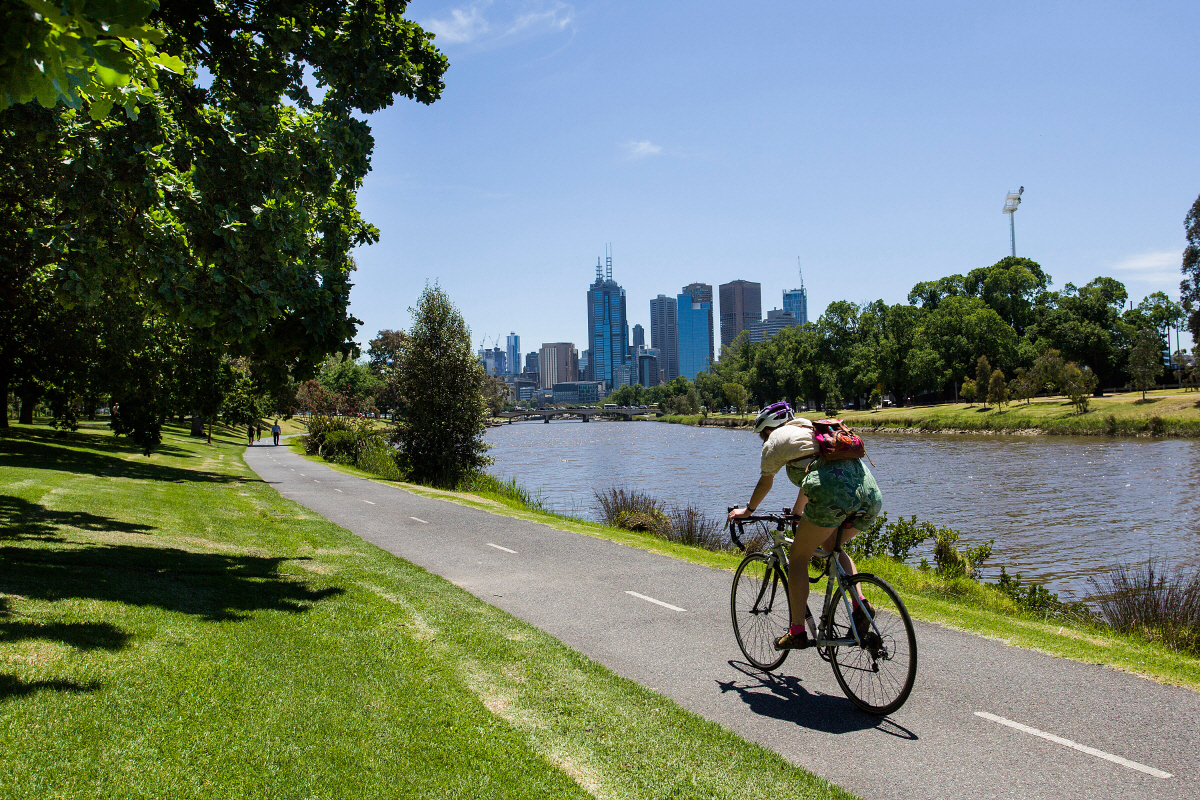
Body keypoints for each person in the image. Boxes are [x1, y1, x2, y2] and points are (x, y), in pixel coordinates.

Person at [727, 401, 883, 651]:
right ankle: (860, 604)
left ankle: (797, 631)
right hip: (869, 495)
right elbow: (814, 475)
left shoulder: (775, 442)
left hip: (833, 496)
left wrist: (748, 511)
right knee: (832, 545)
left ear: (768, 429)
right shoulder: (813, 431)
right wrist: (799, 513)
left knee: (798, 558)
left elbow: (765, 484)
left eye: (761, 435)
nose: (762, 440)